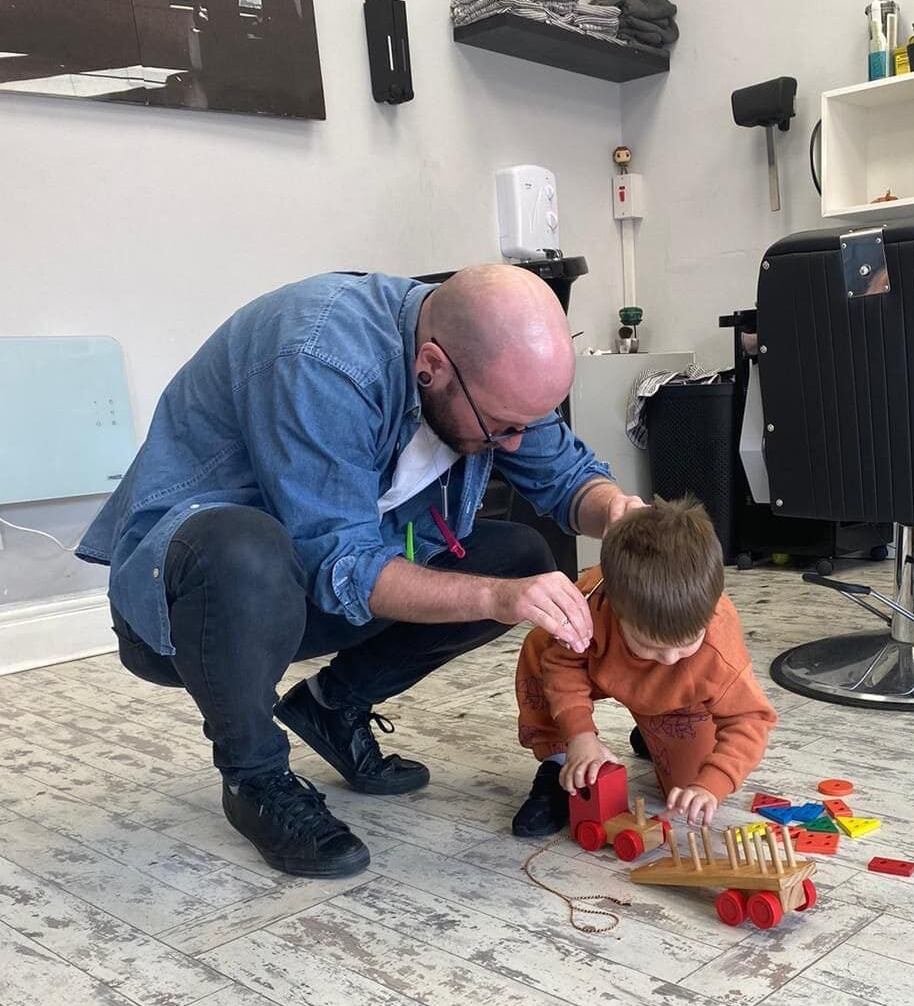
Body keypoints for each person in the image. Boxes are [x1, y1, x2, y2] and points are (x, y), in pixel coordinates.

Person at [77, 265, 645, 879]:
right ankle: (254, 778)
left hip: (310, 585)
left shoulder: (484, 375)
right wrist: (496, 597)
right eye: (503, 427)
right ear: (431, 367)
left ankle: (331, 706)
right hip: (190, 608)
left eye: (527, 425)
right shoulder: (320, 358)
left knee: (521, 559)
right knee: (246, 547)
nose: (515, 443)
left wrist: (613, 508)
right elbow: (340, 563)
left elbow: (566, 477)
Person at [511, 497, 778, 836]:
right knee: (540, 644)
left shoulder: (718, 651)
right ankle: (557, 761)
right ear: (615, 610)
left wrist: (712, 784)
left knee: (686, 786)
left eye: (686, 643)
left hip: (677, 701)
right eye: (651, 645)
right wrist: (579, 735)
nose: (668, 658)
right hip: (600, 667)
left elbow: (750, 719)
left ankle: (653, 731)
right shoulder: (591, 604)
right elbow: (562, 664)